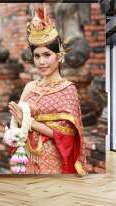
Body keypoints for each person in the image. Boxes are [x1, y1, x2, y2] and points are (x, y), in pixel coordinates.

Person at [8, 6, 87, 175]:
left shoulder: (68, 89)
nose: (41, 62)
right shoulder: (30, 87)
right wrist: (13, 128)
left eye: (47, 55)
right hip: (28, 155)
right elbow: (17, 122)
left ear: (59, 56)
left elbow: (66, 134)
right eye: (37, 56)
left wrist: (27, 121)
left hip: (53, 160)